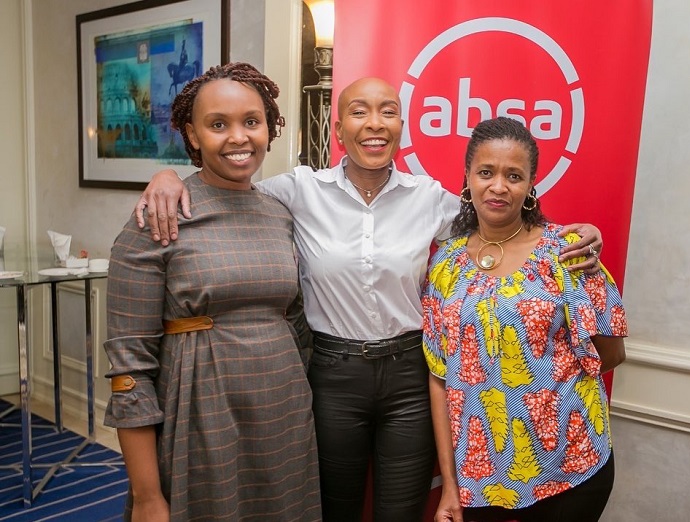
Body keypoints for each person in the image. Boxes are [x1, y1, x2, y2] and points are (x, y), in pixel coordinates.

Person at [133, 77, 604, 521]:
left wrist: (573, 234)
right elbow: (229, 186)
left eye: (388, 112)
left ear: (401, 127)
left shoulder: (429, 198)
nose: (374, 123)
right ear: (339, 130)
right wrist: (169, 176)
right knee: (333, 509)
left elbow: (500, 218)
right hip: (332, 376)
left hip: (409, 378)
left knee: (401, 511)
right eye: (359, 112)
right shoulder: (298, 191)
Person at [103, 62, 321, 522]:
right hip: (201, 417)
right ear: (193, 134)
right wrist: (147, 496)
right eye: (218, 124)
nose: (238, 137)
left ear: (269, 128)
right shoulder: (159, 217)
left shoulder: (279, 213)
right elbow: (129, 369)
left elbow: (296, 322)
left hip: (283, 414)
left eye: (251, 121)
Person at [422, 117, 627, 522]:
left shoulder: (568, 252)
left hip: (571, 466)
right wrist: (450, 484)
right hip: (480, 477)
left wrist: (542, 389)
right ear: (467, 178)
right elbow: (439, 377)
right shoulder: (445, 264)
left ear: (531, 184)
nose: (498, 186)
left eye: (513, 176)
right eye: (486, 172)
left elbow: (611, 353)